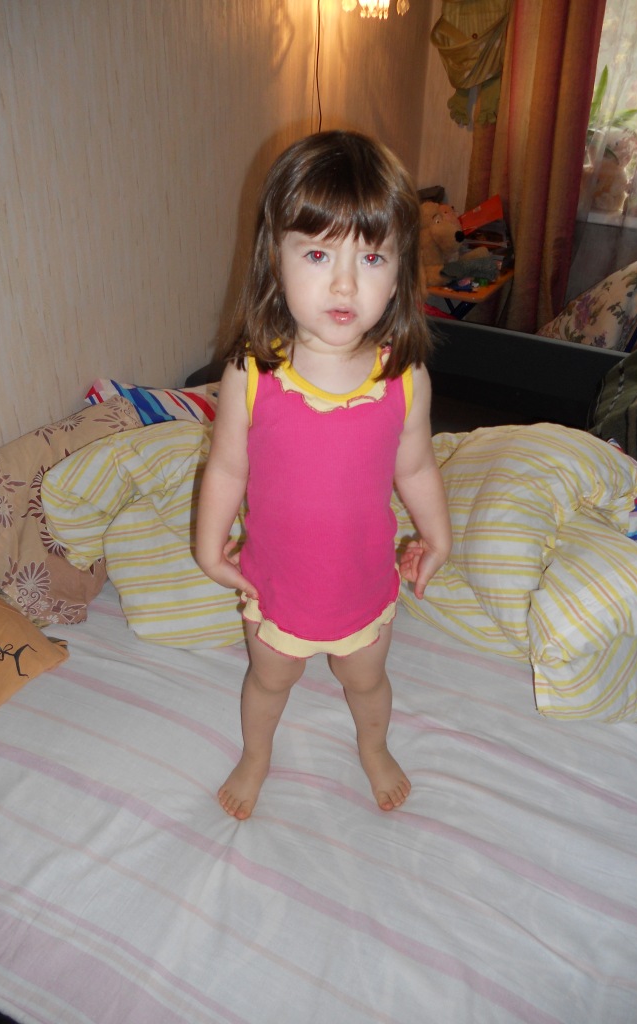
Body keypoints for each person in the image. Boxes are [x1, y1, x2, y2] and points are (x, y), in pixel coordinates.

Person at [196, 130, 452, 820]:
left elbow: (417, 465)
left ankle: (373, 746)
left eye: (371, 257)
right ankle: (256, 755)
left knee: (366, 682)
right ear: (274, 259)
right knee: (268, 682)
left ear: (399, 271)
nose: (345, 283)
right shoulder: (251, 375)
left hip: (362, 587)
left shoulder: (404, 378)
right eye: (317, 253)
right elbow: (227, 466)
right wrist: (209, 545)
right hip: (276, 586)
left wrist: (439, 535)